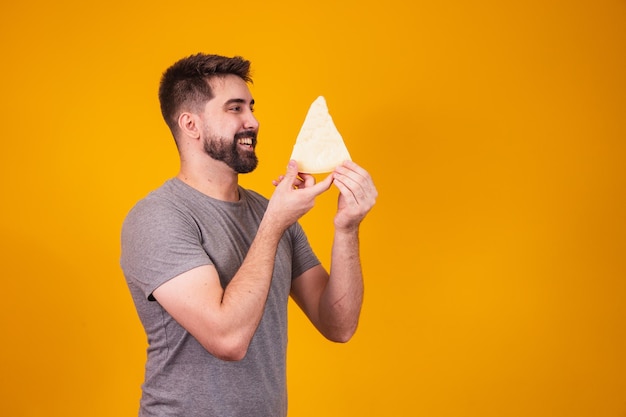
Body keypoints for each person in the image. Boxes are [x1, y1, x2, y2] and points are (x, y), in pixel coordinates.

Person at [120, 53, 377, 417]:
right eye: (235, 109)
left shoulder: (269, 210)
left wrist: (347, 228)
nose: (253, 121)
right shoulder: (157, 218)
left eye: (251, 108)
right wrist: (273, 224)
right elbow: (228, 340)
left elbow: (339, 325)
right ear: (191, 125)